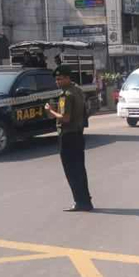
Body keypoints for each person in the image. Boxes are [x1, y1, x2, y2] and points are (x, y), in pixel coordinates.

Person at [45, 65, 93, 212]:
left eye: (60, 79)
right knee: (80, 169)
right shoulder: (77, 90)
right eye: (56, 79)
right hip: (78, 134)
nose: (57, 82)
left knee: (71, 171)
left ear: (67, 78)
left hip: (68, 136)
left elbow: (65, 118)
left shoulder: (65, 95)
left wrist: (50, 111)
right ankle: (85, 200)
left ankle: (80, 202)